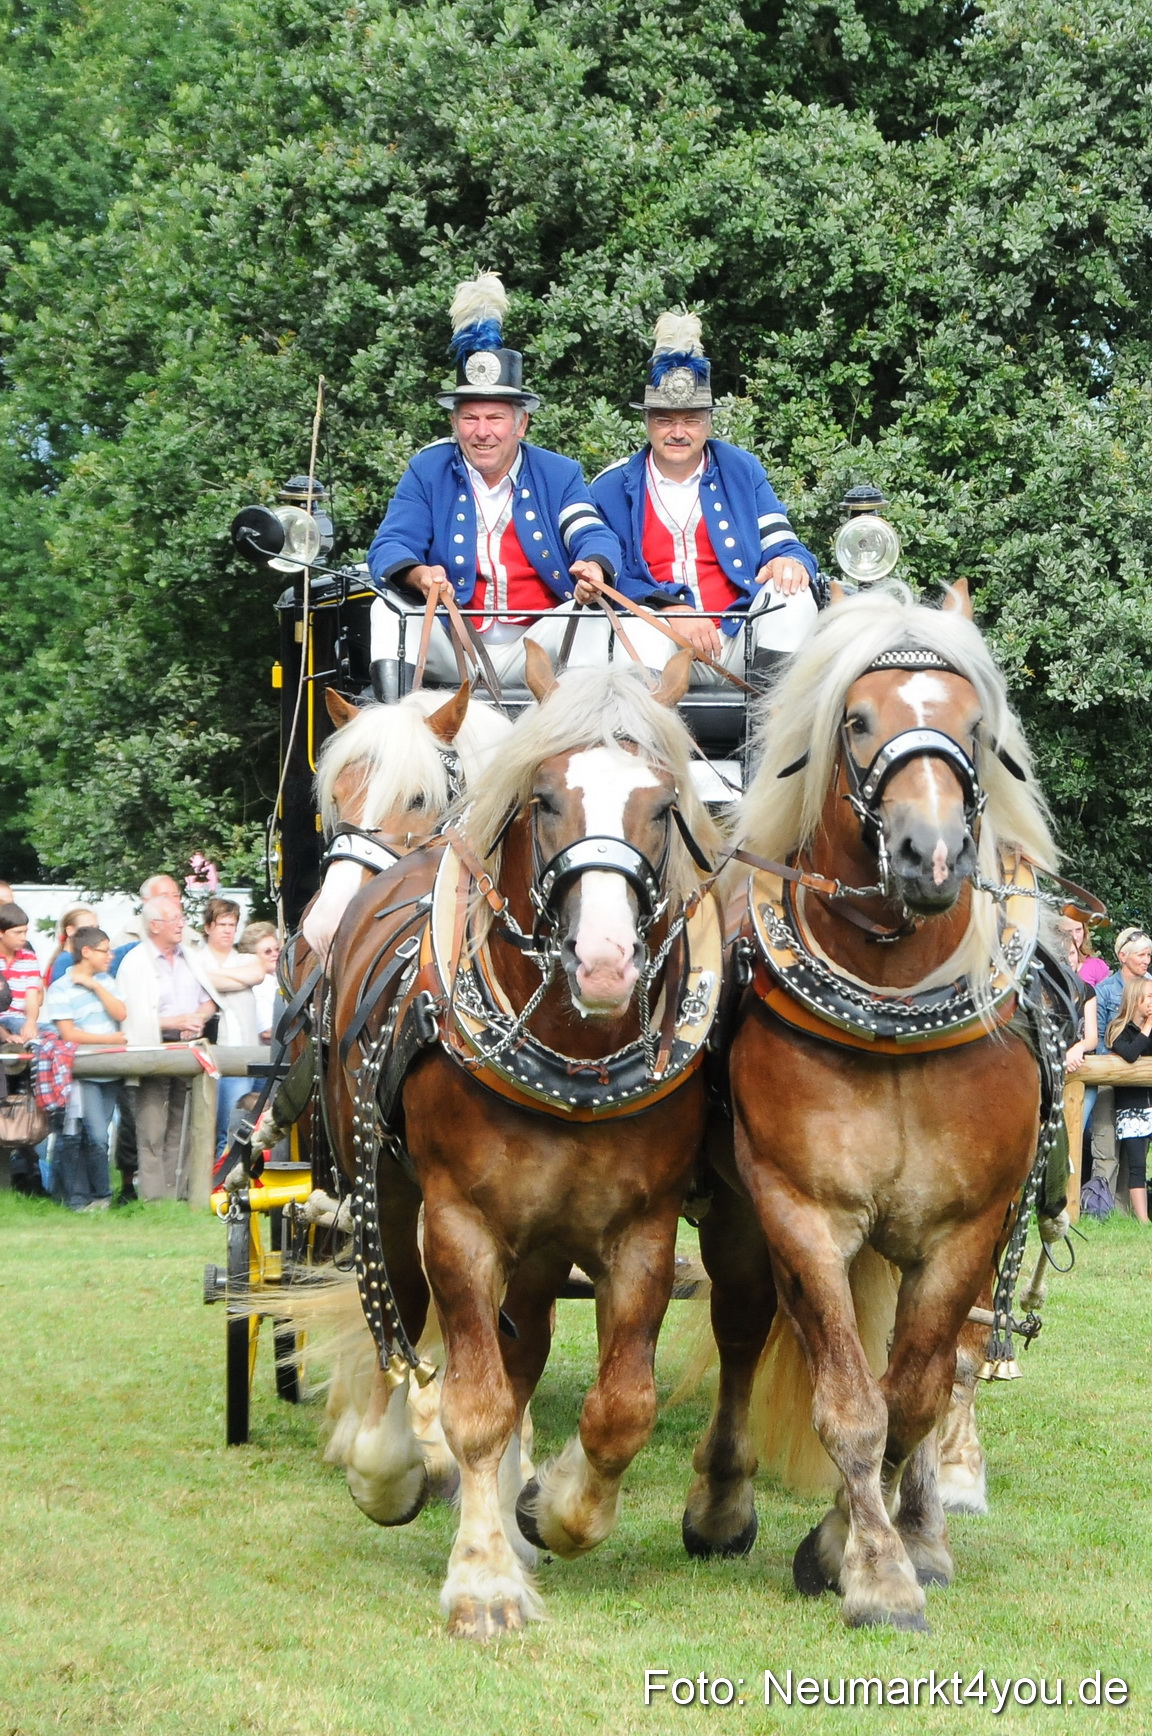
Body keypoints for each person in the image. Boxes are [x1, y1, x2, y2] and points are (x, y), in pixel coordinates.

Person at [365, 273, 624, 699]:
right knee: (388, 607)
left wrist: (592, 567)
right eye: (470, 418)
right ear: (453, 423)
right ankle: (397, 724)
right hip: (454, 639)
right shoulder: (427, 471)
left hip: (538, 644)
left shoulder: (558, 473)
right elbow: (392, 544)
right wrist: (418, 575)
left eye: (495, 418)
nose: (482, 432)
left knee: (596, 615)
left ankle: (577, 734)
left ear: (521, 423)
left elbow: (591, 532)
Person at [589, 312, 819, 687]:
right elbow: (611, 580)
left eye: (692, 419)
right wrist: (671, 609)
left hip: (741, 636)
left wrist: (790, 561)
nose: (678, 432)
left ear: (709, 422)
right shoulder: (611, 486)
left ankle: (774, 731)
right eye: (664, 419)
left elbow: (779, 537)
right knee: (638, 624)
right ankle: (640, 740)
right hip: (659, 638)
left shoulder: (741, 469)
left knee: (792, 594)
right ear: (646, 421)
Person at [114, 896, 218, 1201]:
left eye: (181, 918)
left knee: (182, 1124)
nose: (181, 923)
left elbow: (208, 999)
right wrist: (175, 1021)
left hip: (189, 1048)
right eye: (174, 918)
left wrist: (198, 1018)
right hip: (154, 1048)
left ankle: (178, 1193)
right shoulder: (135, 962)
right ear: (154, 925)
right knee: (152, 1127)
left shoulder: (191, 956)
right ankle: (153, 1197)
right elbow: (132, 1015)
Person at [42, 927, 126, 1211]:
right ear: (87, 952)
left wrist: (95, 986)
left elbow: (120, 1013)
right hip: (82, 1073)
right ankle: (100, 1195)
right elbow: (68, 1033)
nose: (110, 956)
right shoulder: (60, 989)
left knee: (100, 1136)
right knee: (96, 1136)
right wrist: (110, 1040)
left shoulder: (106, 981)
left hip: (112, 1072)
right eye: (105, 950)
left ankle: (97, 1196)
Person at [192, 897, 263, 1164]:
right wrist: (236, 978)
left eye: (232, 925)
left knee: (251, 1123)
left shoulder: (247, 958)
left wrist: (214, 979)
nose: (227, 930)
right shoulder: (195, 959)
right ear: (209, 926)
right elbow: (200, 978)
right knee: (221, 1125)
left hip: (250, 1050)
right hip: (218, 1053)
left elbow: (255, 974)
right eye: (222, 924)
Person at [1105, 976, 1152, 1223]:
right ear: (1136, 1000)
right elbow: (1131, 1054)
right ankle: (1143, 1219)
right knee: (1136, 1165)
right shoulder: (1118, 1029)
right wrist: (1146, 1028)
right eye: (1150, 996)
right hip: (1132, 1107)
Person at [1094, 928, 1151, 1050]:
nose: (1147, 961)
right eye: (1141, 955)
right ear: (1123, 956)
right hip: (1116, 1063)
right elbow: (1099, 1039)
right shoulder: (1104, 991)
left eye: (1149, 955)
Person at [0, 902, 44, 1045]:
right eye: (17, 933)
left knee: (53, 1032)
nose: (23, 938)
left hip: (20, 1019)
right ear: (1, 932)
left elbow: (32, 996)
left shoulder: (29, 957)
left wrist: (31, 1022)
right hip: (5, 1019)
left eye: (25, 932)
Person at [238, 920, 281, 1045]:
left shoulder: (281, 977)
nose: (275, 954)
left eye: (277, 949)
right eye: (268, 951)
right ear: (252, 956)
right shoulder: (256, 988)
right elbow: (268, 1033)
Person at [46, 906, 99, 986]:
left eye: (97, 928)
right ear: (70, 931)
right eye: (88, 928)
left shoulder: (71, 958)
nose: (95, 933)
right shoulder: (67, 961)